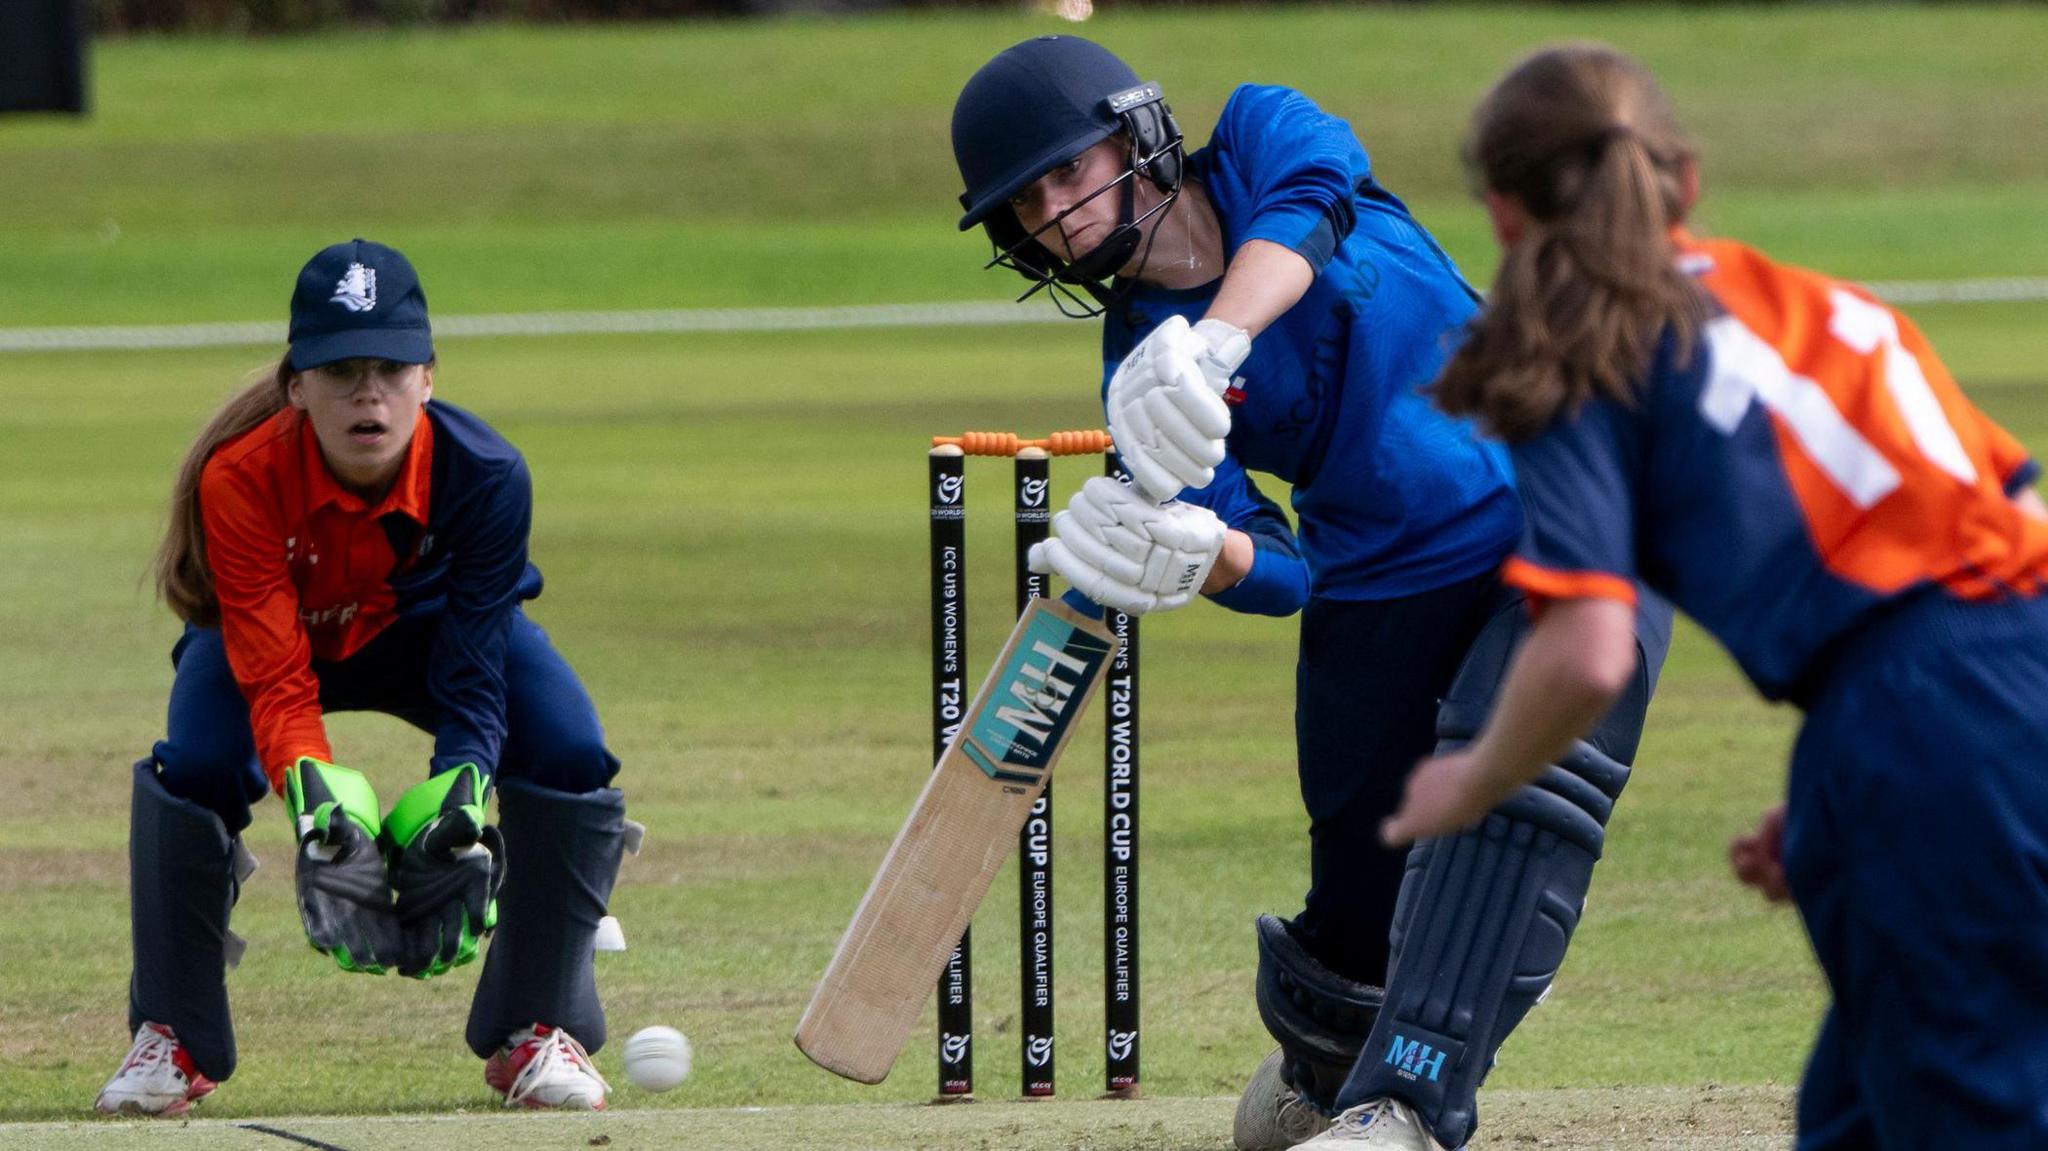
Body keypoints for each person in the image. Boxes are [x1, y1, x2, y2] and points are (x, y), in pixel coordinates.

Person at [951, 37, 1672, 1151]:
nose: (1058, 210)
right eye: (1026, 203)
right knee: (1352, 917)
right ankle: (1338, 1075)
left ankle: (1410, 1107)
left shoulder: (1256, 131)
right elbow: (1280, 570)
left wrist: (1220, 336)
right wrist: (1204, 551)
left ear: (1133, 133)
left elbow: (1312, 198)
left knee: (1514, 778)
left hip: (1563, 484)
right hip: (1382, 581)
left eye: (1068, 169)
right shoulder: (1135, 367)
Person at [1384, 43, 2048, 1151]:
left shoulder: (1571, 350)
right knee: (1855, 1110)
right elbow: (2012, 527)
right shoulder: (1826, 306)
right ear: (1680, 181)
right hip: (1982, 691)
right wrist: (1853, 793)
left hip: (1917, 727)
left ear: (1500, 215)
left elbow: (1591, 648)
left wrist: (1471, 777)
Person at [96, 239, 634, 1116]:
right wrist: (320, 804)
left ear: (429, 375)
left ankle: (539, 1028)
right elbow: (273, 673)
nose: (367, 393)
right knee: (194, 759)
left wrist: (459, 794)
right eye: (340, 369)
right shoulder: (239, 476)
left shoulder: (489, 475)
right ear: (296, 384)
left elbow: (474, 670)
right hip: (283, 636)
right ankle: (173, 1038)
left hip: (426, 632)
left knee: (570, 747)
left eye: (390, 367)